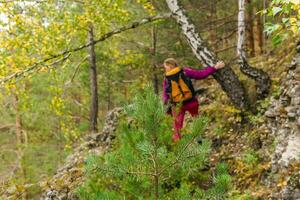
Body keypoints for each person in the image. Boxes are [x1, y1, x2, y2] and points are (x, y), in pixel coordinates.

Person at [162, 58, 225, 142]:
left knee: (177, 126)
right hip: (191, 102)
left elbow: (165, 96)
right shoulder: (185, 71)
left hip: (177, 106)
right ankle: (199, 138)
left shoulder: (166, 78)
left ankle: (177, 145)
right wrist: (215, 67)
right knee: (196, 118)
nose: (166, 69)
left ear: (169, 66)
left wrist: (166, 108)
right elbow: (201, 75)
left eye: (165, 67)